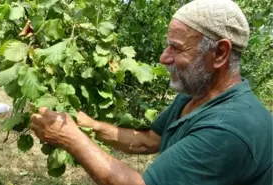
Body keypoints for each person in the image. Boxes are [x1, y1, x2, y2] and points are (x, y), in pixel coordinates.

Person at [30, 0, 273, 184]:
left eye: (176, 48)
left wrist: (71, 139)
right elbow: (148, 141)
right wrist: (90, 125)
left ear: (219, 53)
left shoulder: (230, 129)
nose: (163, 57)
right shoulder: (195, 96)